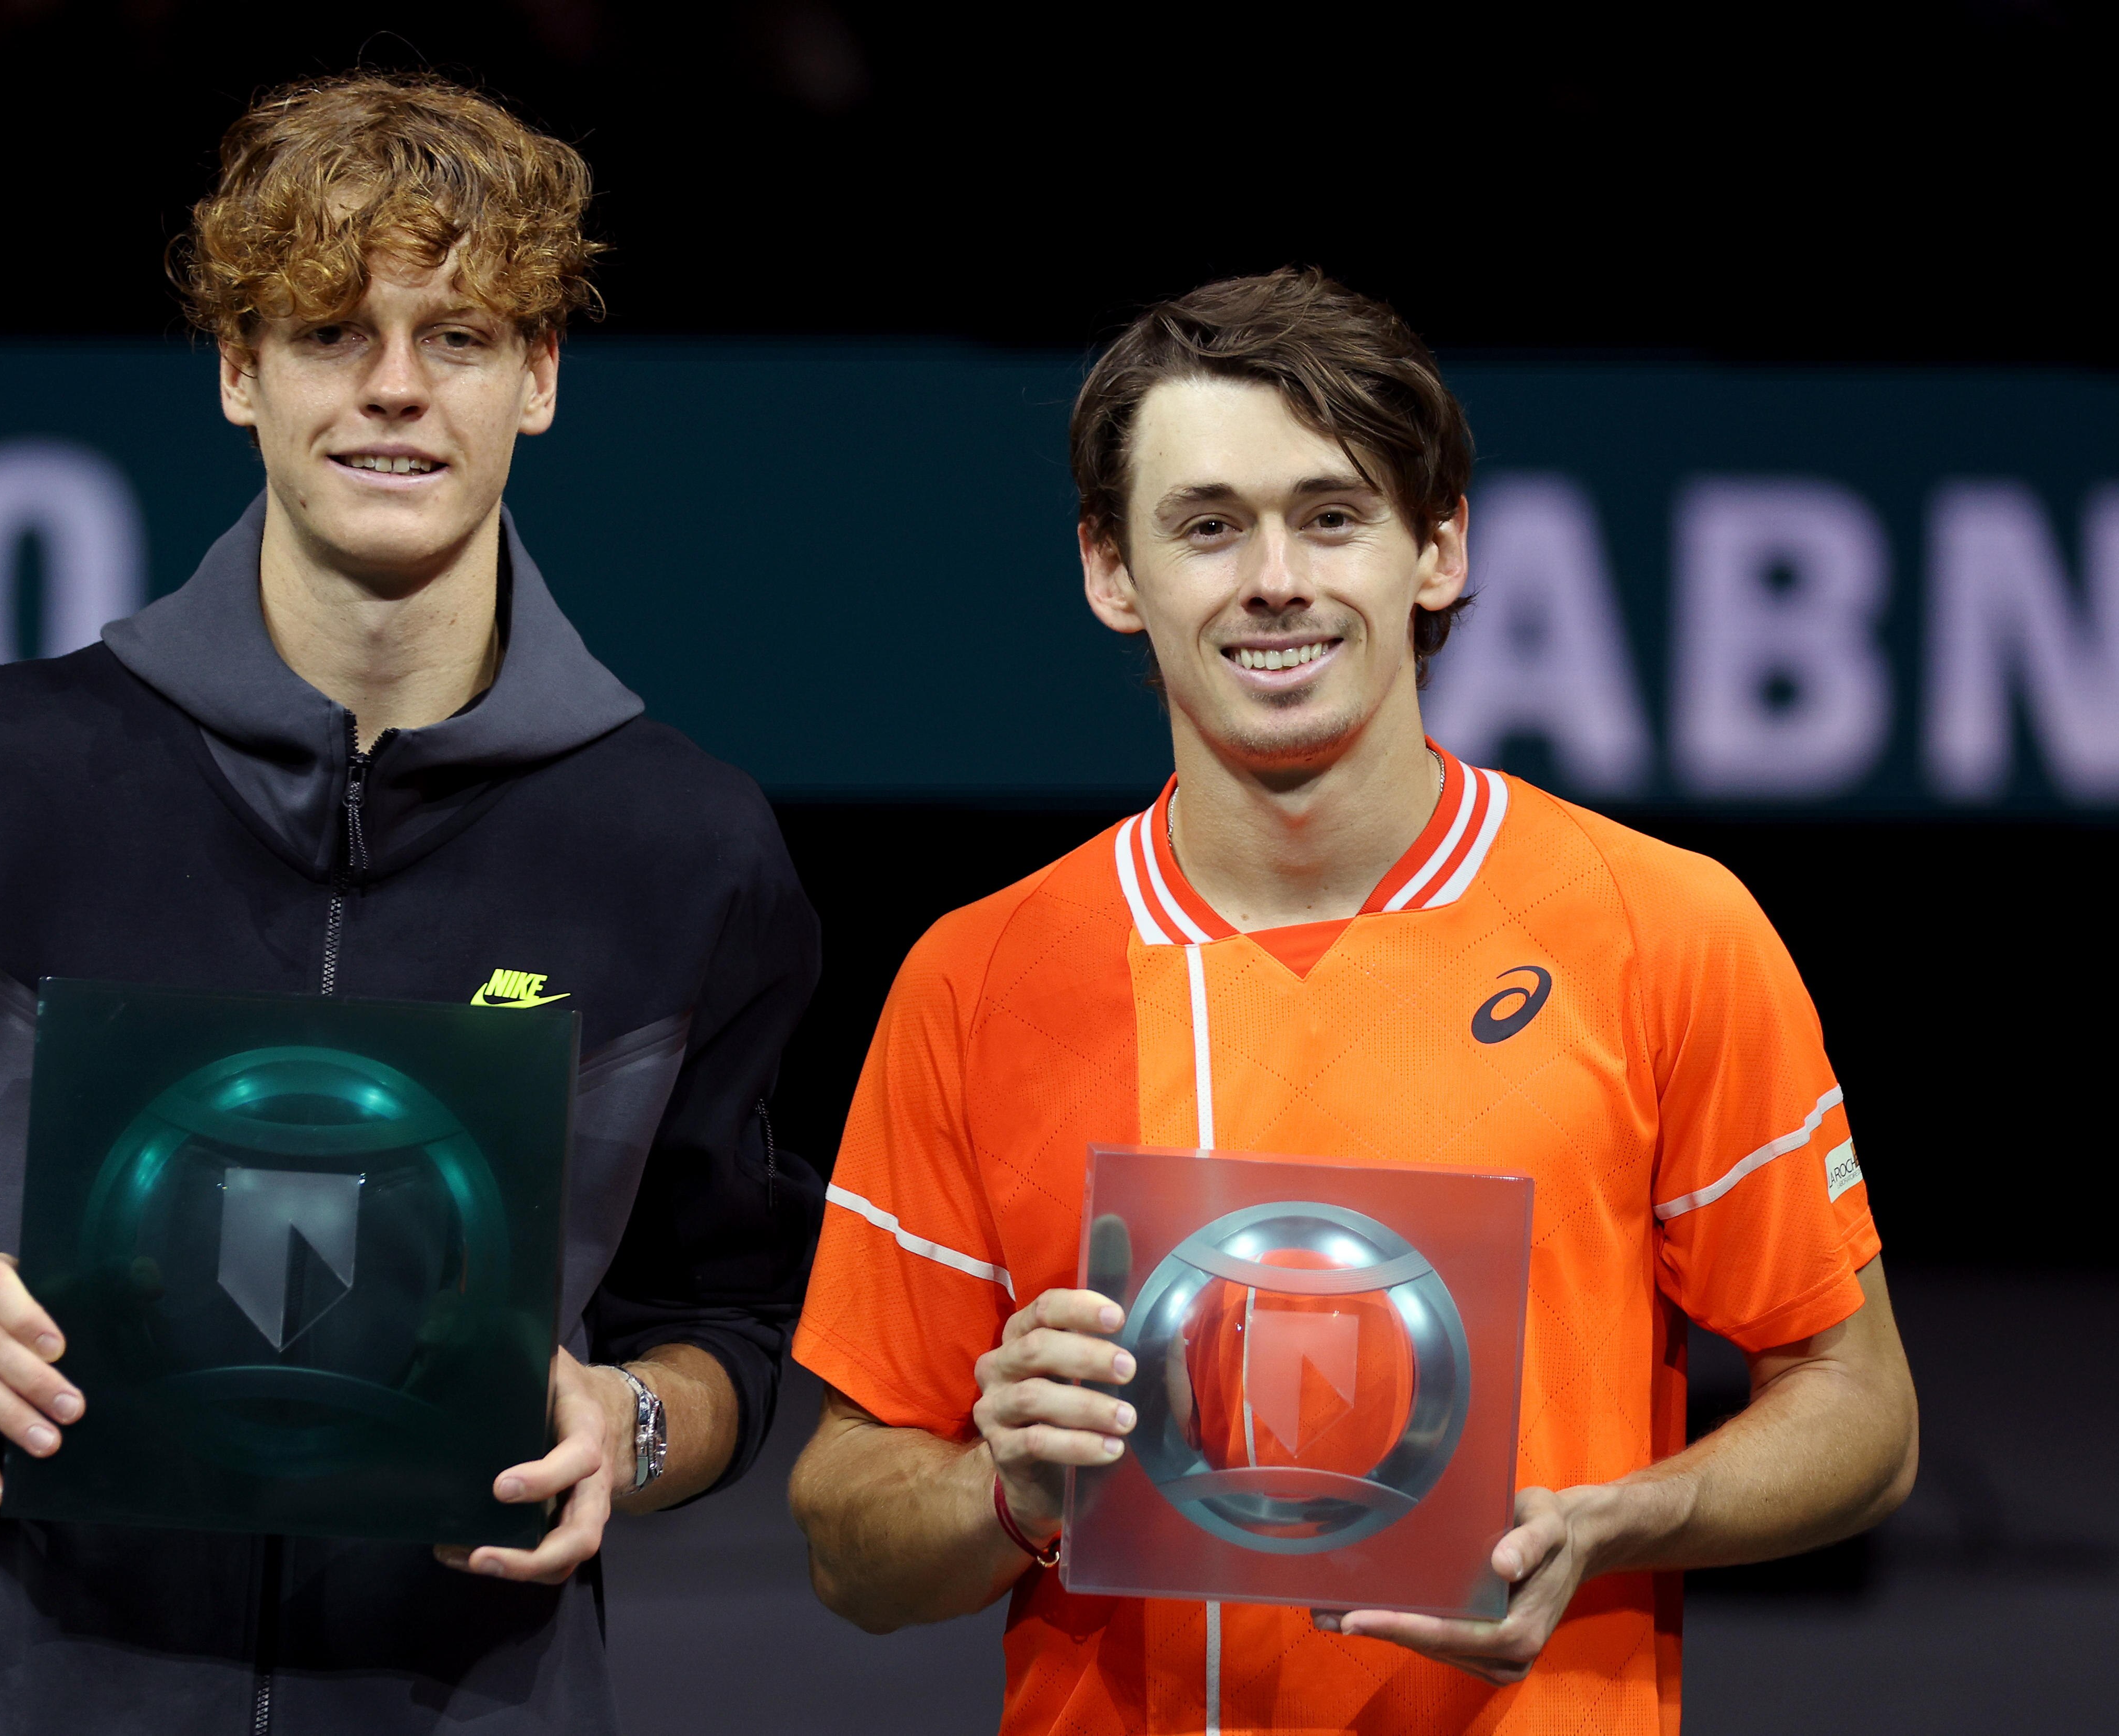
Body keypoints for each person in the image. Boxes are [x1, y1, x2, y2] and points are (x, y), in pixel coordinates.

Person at [0, 73, 819, 1733]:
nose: (394, 394)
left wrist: (633, 1428)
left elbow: (724, 1321)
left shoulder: (686, 845)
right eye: (326, 335)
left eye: (460, 339)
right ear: (237, 373)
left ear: (542, 380)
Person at [786, 268, 1917, 1734]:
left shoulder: (1666, 926)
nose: (1275, 579)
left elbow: (1864, 1413)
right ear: (1111, 573)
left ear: (1438, 549)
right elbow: (846, 1541)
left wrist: (1614, 1522)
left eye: (1332, 515)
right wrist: (1008, 1491)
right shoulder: (978, 976)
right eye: (1207, 525)